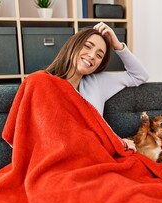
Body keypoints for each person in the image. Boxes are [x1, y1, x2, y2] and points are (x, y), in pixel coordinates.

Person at [45, 22, 149, 150]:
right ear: (73, 45)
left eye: (99, 55)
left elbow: (139, 76)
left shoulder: (97, 83)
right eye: (87, 46)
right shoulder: (43, 83)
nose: (92, 56)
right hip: (61, 157)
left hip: (96, 154)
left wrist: (118, 46)